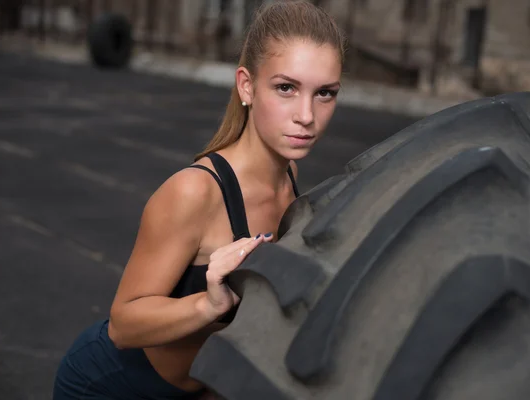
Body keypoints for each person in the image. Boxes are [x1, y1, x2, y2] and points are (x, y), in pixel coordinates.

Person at [52, 1, 346, 398]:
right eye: (286, 88)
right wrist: (209, 305)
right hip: (112, 386)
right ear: (247, 85)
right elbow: (122, 326)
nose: (307, 115)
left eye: (325, 93)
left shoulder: (289, 177)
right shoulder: (195, 192)